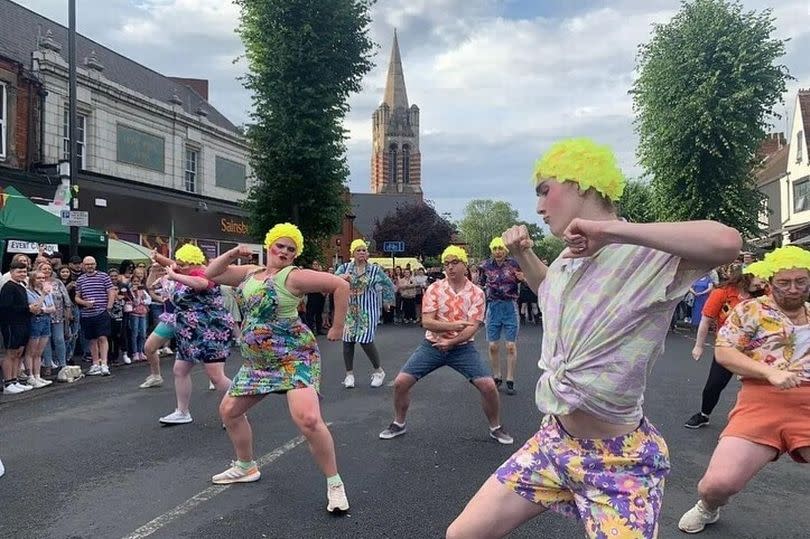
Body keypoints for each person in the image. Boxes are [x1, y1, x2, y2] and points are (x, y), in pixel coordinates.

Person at [445, 138, 741, 539]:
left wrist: (609, 230)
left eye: (544, 190)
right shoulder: (568, 259)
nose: (538, 206)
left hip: (620, 462)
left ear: (581, 184)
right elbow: (551, 295)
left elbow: (726, 242)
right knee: (462, 534)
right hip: (555, 442)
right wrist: (523, 255)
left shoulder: (646, 255)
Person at [205, 223, 352, 513]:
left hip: (293, 357)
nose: (284, 251)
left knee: (308, 419)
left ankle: (335, 484)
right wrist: (234, 251)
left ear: (295, 254)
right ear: (268, 245)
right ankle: (246, 466)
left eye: (291, 249)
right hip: (258, 363)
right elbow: (211, 273)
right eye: (280, 245)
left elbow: (340, 285)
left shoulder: (293, 276)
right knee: (229, 411)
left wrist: (337, 326)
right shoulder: (249, 273)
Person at [678, 246, 810, 534]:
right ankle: (708, 507)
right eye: (784, 282)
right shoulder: (751, 310)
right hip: (761, 399)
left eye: (800, 281)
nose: (793, 289)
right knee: (717, 484)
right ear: (769, 281)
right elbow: (724, 352)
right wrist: (769, 372)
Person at [379, 245, 514, 445]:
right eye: (447, 264)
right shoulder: (434, 289)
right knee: (400, 383)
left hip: (462, 348)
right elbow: (427, 322)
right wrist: (453, 326)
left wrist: (451, 341)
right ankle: (399, 423)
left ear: (464, 265)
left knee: (488, 386)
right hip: (431, 345)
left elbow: (472, 327)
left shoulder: (476, 293)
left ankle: (496, 427)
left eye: (455, 262)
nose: (450, 267)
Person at [683, 262, 768, 429]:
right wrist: (698, 346)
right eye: (759, 280)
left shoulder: (764, 295)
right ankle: (704, 414)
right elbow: (706, 320)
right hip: (729, 348)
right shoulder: (722, 293)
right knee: (714, 385)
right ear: (746, 278)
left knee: (757, 387)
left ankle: (756, 421)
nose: (762, 284)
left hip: (756, 349)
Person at [156, 244, 234, 425]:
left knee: (216, 376)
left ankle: (237, 409)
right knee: (180, 370)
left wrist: (175, 275)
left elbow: (202, 284)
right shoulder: (184, 275)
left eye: (183, 264)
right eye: (178, 264)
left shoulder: (203, 273)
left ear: (193, 263)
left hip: (211, 330)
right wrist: (159, 267)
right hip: (188, 332)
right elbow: (158, 285)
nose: (179, 266)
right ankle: (182, 412)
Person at [335, 239, 395, 389]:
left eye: (364, 250)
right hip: (350, 309)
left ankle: (378, 371)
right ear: (353, 253)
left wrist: (387, 301)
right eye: (358, 250)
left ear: (367, 253)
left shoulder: (374, 270)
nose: (361, 253)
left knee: (365, 339)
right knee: (348, 341)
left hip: (368, 309)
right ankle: (349, 375)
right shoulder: (344, 268)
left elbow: (388, 284)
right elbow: (333, 280)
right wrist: (343, 278)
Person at [478, 237, 523, 395]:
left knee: (510, 346)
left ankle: (510, 378)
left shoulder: (514, 264)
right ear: (491, 249)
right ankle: (497, 375)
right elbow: (480, 285)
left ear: (506, 250)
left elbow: (525, 280)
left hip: (510, 306)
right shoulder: (484, 266)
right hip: (493, 307)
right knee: (493, 346)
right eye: (495, 248)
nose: (498, 251)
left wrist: (522, 279)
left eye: (500, 248)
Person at [74, 257, 116, 376]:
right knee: (92, 340)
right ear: (83, 265)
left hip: (101, 311)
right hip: (87, 313)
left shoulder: (104, 276)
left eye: (92, 264)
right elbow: (77, 297)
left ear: (96, 264)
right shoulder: (80, 279)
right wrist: (84, 303)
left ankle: (104, 364)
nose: (90, 266)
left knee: (102, 338)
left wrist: (109, 306)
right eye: (87, 264)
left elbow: (111, 291)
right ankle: (95, 363)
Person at [1, 261, 36, 394]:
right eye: (19, 271)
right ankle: (8, 382)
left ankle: (15, 380)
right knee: (10, 353)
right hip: (11, 324)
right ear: (11, 272)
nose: (22, 274)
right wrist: (27, 308)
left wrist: (29, 309)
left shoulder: (21, 287)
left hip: (23, 323)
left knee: (19, 353)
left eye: (24, 271)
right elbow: (6, 307)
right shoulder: (8, 287)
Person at [23, 268, 55, 388]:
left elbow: (52, 308)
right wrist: (42, 296)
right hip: (35, 321)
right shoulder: (28, 292)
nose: (42, 280)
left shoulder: (47, 291)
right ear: (32, 279)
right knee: (31, 351)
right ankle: (30, 376)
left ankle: (37, 375)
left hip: (46, 320)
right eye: (39, 278)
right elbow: (36, 309)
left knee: (39, 351)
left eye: (43, 278)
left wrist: (44, 309)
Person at [305, 261, 327, 335]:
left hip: (320, 296)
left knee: (319, 313)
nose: (315, 266)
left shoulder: (321, 274)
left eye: (317, 264)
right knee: (310, 314)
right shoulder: (310, 274)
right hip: (312, 295)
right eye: (314, 264)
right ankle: (310, 329)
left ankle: (319, 329)